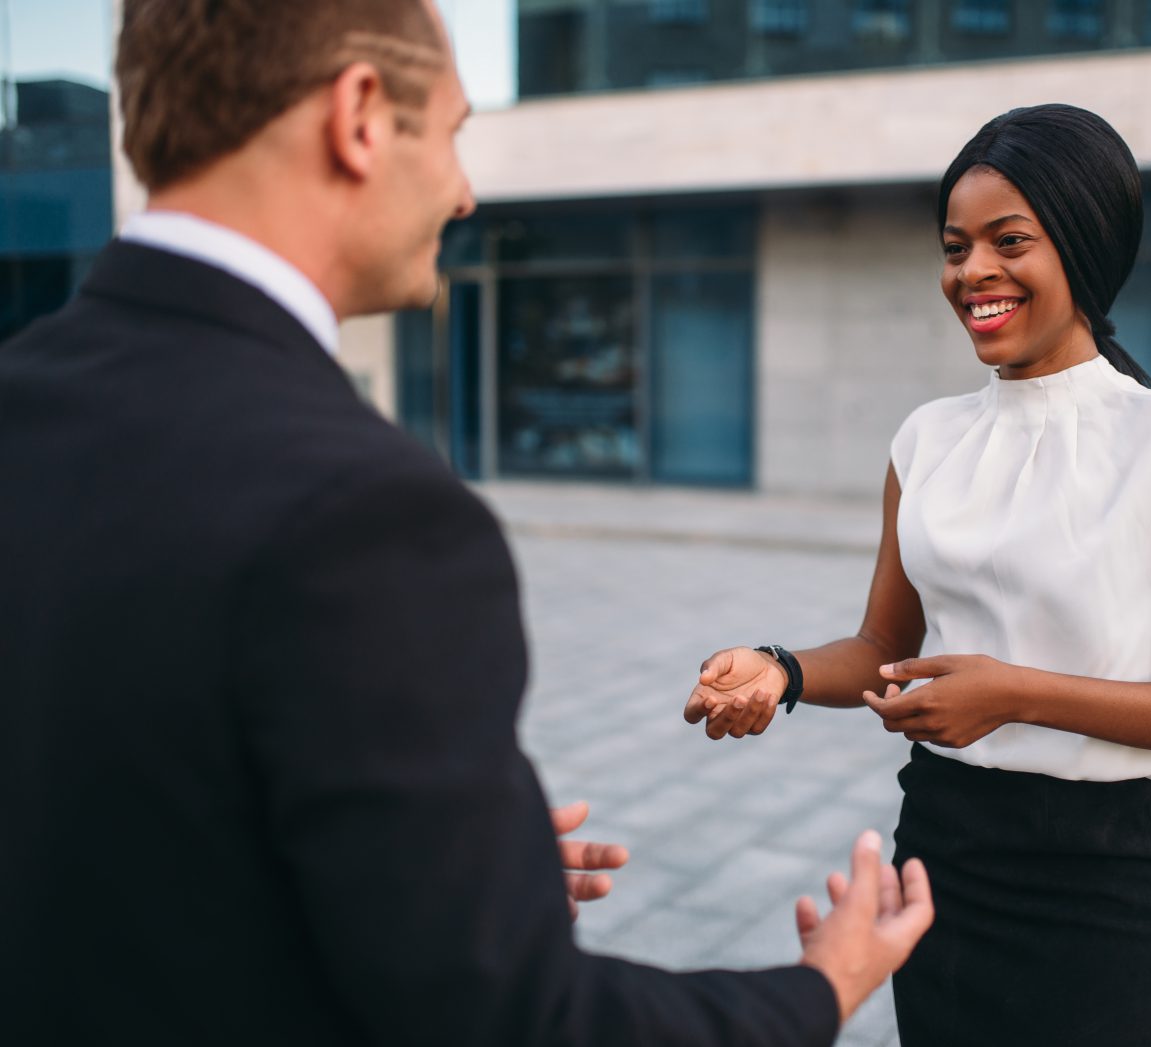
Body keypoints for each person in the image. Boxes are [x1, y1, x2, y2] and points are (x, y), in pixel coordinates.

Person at [0, 1, 931, 1043]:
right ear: (359, 117)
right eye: (449, 133)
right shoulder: (370, 514)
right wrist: (818, 988)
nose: (463, 191)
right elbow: (518, 1021)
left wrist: (402, 852)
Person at [684, 103, 1151, 1046]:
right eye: (956, 246)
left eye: (1011, 241)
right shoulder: (926, 439)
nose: (973, 273)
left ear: (1083, 245)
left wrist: (1018, 695)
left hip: (1101, 877)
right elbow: (885, 647)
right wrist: (782, 668)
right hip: (946, 848)